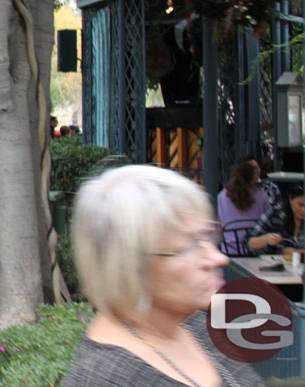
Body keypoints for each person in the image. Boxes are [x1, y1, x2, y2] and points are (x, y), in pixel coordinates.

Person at [63, 164, 262, 387]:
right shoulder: (107, 376)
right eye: (190, 245)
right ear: (131, 265)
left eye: (208, 237)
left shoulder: (194, 324)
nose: (218, 259)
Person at [216, 158, 271, 253]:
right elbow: (268, 220)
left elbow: (222, 224)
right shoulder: (262, 195)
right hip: (255, 249)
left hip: (230, 249)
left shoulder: (222, 195)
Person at [248, 183, 305, 253]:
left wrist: (295, 252)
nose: (303, 210)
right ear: (290, 200)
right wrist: (267, 239)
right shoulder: (275, 214)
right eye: (300, 205)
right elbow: (250, 243)